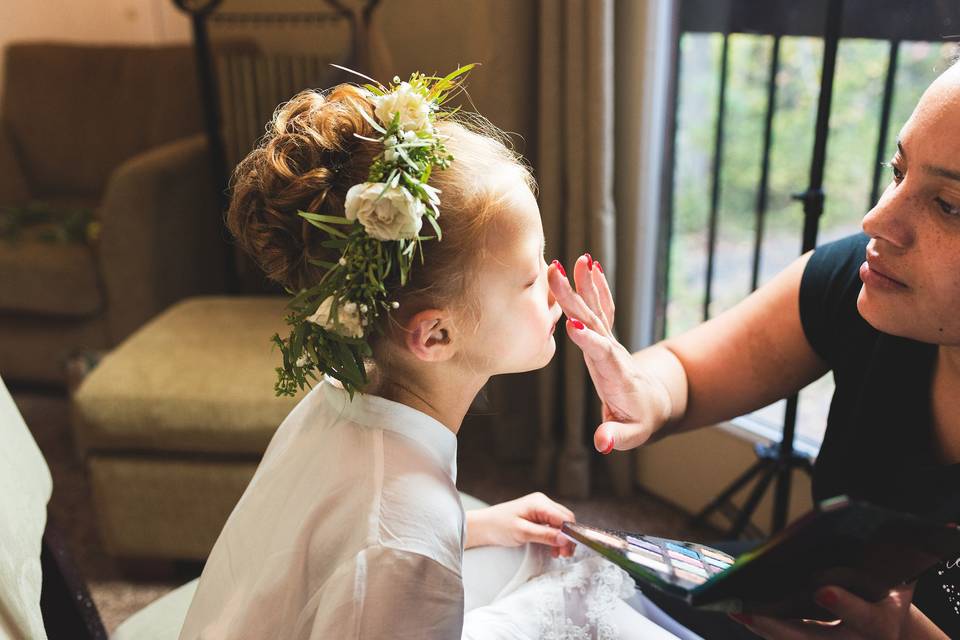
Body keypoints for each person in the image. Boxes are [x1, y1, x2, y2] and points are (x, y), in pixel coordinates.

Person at [178, 72, 693, 639]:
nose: (555, 279)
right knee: (587, 606)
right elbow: (384, 550)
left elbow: (329, 551)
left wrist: (468, 527)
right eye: (528, 278)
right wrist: (424, 538)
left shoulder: (338, 397)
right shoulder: (403, 540)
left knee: (567, 566)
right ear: (435, 337)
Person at [547, 60, 960, 639]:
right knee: (565, 589)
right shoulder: (867, 282)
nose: (877, 220)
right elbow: (688, 372)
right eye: (898, 170)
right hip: (801, 604)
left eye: (949, 205)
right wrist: (646, 392)